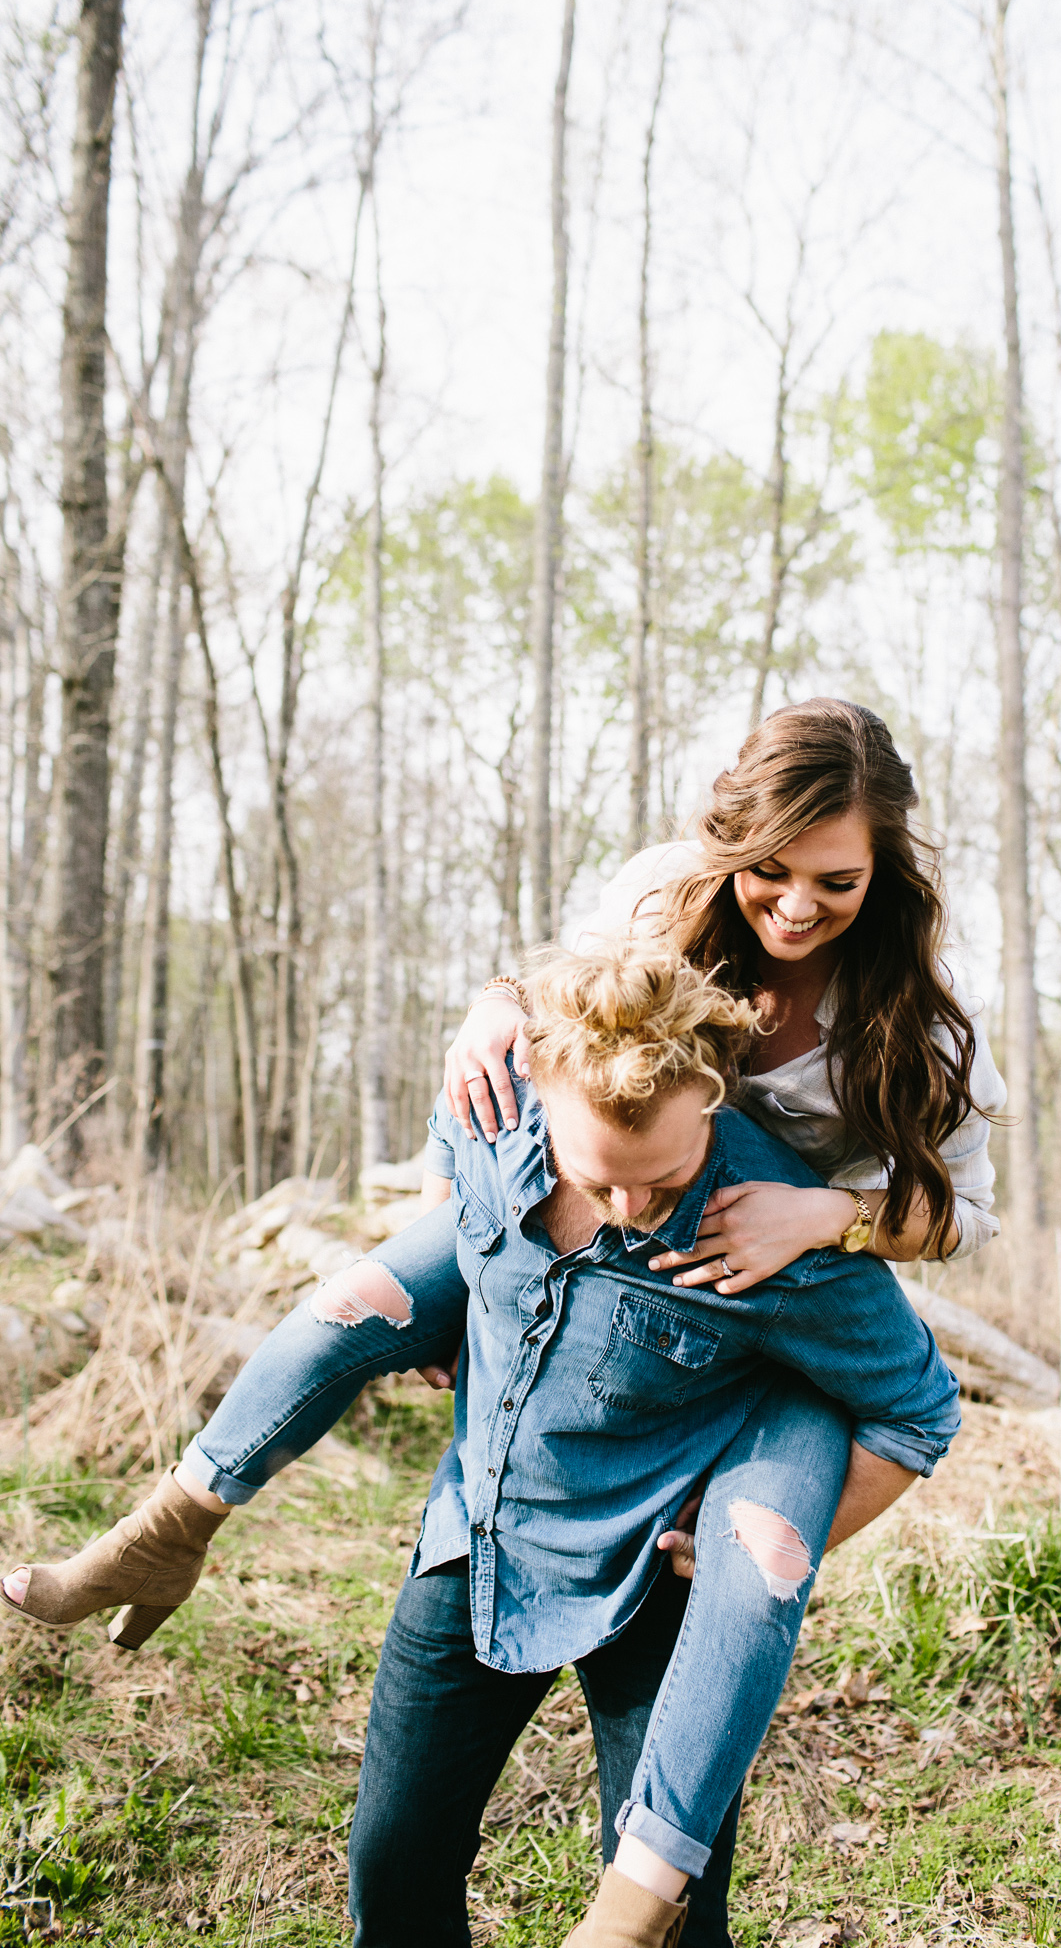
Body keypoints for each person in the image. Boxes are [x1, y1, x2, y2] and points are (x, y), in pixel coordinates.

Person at [2, 696, 1002, 1938]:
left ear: (883, 866)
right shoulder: (659, 903)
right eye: (768, 871)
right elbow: (545, 997)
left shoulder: (911, 1014)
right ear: (727, 845)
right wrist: (491, 1022)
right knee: (356, 1299)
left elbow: (957, 1232)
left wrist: (821, 1221)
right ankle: (174, 1513)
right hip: (569, 1207)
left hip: (759, 1272)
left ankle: (635, 1903)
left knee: (752, 1572)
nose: (795, 904)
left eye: (835, 880)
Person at [347, 938, 960, 1948]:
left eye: (662, 1177)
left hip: (656, 1579)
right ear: (540, 1101)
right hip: (482, 1537)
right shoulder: (499, 1115)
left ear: (715, 1103)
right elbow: (465, 1205)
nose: (630, 1208)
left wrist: (766, 1547)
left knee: (669, 1913)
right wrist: (456, 1293)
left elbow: (918, 1408)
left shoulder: (760, 1229)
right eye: (601, 1179)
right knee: (394, 1860)